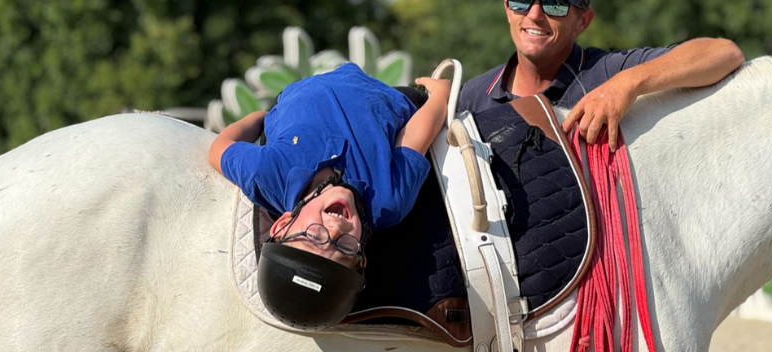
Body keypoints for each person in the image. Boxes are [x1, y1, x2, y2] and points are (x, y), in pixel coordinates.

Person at [208, 62, 450, 276]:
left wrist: (258, 118)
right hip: (386, 94)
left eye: (314, 236)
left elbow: (218, 149)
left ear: (283, 224)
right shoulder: (386, 201)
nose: (334, 229)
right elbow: (414, 137)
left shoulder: (267, 174)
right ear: (361, 254)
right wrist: (441, 95)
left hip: (296, 92)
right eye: (344, 247)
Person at [458, 0, 745, 150]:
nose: (534, 14)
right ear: (508, 9)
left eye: (554, 3)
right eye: (522, 0)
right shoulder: (473, 95)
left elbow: (724, 53)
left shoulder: (607, 71)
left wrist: (627, 84)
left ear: (583, 21)